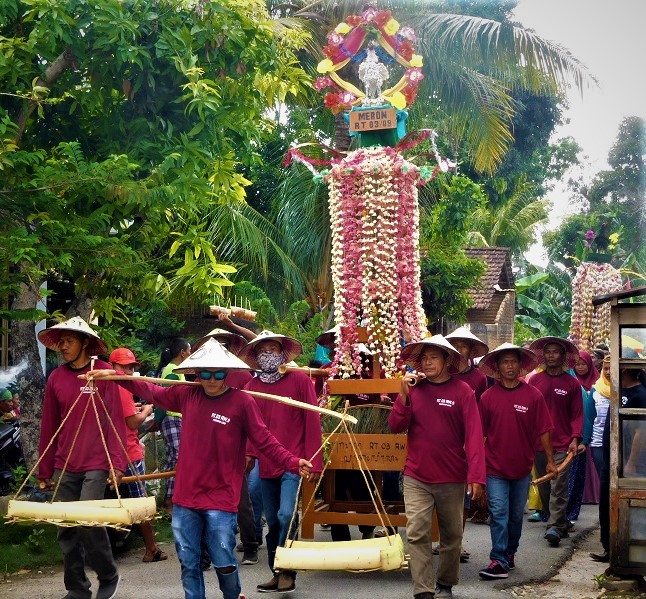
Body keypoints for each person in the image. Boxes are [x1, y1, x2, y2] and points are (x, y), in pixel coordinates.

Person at [87, 338, 313, 599]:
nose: (212, 379)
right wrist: (114, 376)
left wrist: (293, 462)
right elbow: (150, 390)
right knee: (189, 562)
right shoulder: (186, 395)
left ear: (227, 374)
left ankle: (233, 595)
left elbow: (265, 441)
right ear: (196, 373)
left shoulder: (242, 402)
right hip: (186, 497)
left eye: (218, 373)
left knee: (223, 559)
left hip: (221, 497)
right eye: (206, 372)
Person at [388, 335, 486, 599]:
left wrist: (477, 476)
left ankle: (445, 582)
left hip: (452, 476)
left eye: (433, 357)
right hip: (416, 475)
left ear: (447, 360)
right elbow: (395, 426)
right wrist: (403, 397)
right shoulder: (415, 390)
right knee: (417, 532)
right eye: (424, 358)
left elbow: (474, 436)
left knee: (452, 535)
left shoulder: (463, 392)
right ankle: (423, 589)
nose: (428, 362)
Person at [36, 317, 127, 599]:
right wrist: (44, 469)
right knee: (66, 527)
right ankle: (77, 587)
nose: (62, 346)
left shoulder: (103, 373)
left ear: (85, 343)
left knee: (89, 523)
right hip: (65, 462)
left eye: (69, 341)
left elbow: (115, 421)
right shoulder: (57, 377)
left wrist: (117, 463)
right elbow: (49, 425)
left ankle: (108, 574)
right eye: (60, 341)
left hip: (97, 462)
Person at [238, 331, 323, 595]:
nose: (268, 354)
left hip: (295, 461)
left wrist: (315, 462)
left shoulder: (299, 380)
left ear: (282, 353)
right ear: (256, 356)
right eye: (262, 350)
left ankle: (288, 570)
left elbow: (312, 421)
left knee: (286, 514)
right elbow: (250, 429)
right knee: (273, 520)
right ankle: (277, 569)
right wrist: (249, 454)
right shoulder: (251, 388)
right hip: (266, 463)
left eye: (273, 349)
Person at [476, 343, 557, 579]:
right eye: (505, 362)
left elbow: (544, 430)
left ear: (520, 366)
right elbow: (478, 434)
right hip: (494, 468)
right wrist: (475, 466)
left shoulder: (533, 396)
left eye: (513, 361)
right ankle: (498, 559)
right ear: (498, 367)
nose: (510, 366)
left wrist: (551, 461)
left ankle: (510, 552)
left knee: (513, 517)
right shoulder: (487, 397)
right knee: (498, 513)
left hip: (522, 468)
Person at [193, 327, 261, 566]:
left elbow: (252, 419)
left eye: (223, 343)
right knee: (202, 503)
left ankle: (251, 544)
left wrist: (249, 451)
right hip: (206, 453)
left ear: (231, 347)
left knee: (241, 500)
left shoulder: (243, 378)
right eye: (214, 342)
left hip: (234, 451)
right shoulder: (200, 379)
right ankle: (207, 553)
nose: (218, 346)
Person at [109, 347, 168, 564]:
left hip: (108, 454)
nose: (126, 370)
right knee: (139, 504)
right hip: (127, 454)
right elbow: (132, 422)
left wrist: (134, 408)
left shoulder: (102, 386)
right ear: (111, 366)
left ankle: (112, 546)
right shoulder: (122, 388)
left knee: (113, 503)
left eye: (130, 367)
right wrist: (146, 411)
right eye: (122, 366)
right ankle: (150, 549)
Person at [528, 336, 583, 547]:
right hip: (538, 443)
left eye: (555, 352)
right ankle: (559, 521)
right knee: (544, 487)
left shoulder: (572, 383)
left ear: (563, 356)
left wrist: (575, 438)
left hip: (562, 443)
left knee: (558, 484)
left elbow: (577, 414)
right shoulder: (535, 381)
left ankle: (554, 527)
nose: (551, 355)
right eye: (548, 351)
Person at [592, 353, 646, 563]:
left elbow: (640, 432)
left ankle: (628, 551)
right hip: (610, 457)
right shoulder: (617, 389)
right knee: (606, 502)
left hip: (627, 461)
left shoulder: (641, 394)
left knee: (625, 504)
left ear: (625, 368)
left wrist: (631, 461)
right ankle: (609, 547)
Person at [445, 327, 490, 552]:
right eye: (456, 345)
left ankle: (458, 542)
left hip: (467, 441)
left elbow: (481, 410)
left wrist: (479, 439)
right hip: (444, 440)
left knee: (461, 494)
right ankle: (442, 540)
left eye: (464, 346)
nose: (459, 350)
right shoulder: (444, 373)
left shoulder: (479, 378)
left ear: (472, 350)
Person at [156, 337, 191, 511]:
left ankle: (170, 499)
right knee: (178, 457)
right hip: (171, 417)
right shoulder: (173, 370)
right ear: (183, 352)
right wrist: (157, 420)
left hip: (176, 417)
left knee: (172, 458)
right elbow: (166, 396)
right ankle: (171, 501)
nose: (190, 353)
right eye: (189, 350)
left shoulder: (175, 369)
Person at [566, 350, 600, 521]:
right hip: (562, 437)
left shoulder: (598, 385)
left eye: (583, 363)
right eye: (576, 364)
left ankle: (567, 515)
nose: (579, 367)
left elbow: (587, 415)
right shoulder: (568, 382)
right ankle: (554, 515)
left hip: (582, 437)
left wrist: (584, 439)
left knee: (574, 477)